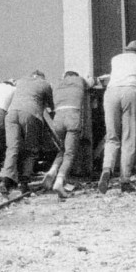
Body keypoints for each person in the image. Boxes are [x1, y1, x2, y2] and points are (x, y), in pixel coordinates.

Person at [98, 40, 136, 195]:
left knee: (112, 137)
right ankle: (125, 180)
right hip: (131, 91)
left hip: (111, 92)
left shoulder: (116, 59)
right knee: (128, 137)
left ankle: (107, 169)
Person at [0, 70, 54, 195]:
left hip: (11, 113)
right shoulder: (44, 84)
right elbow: (52, 105)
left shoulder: (21, 81)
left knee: (12, 148)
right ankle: (24, 183)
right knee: (31, 150)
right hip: (31, 114)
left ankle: (5, 180)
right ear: (42, 77)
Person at [43, 71, 95, 199]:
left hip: (58, 118)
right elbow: (91, 83)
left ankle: (52, 170)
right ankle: (59, 181)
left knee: (63, 148)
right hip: (72, 116)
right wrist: (89, 78)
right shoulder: (79, 80)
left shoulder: (57, 83)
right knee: (70, 153)